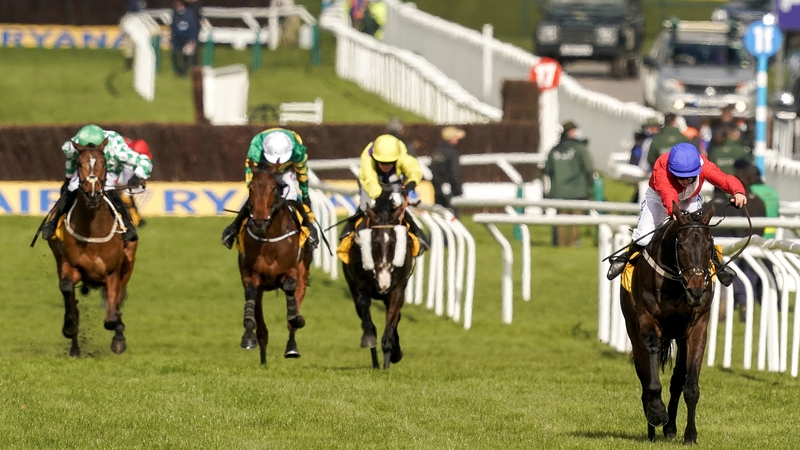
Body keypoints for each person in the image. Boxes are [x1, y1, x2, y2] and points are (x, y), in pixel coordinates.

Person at [607, 142, 747, 286]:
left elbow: (723, 179)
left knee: (697, 235)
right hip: (658, 199)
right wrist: (675, 212)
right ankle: (625, 257)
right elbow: (668, 194)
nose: (686, 181)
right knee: (644, 237)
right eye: (681, 177)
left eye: (691, 177)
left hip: (690, 198)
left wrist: (738, 191)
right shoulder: (662, 167)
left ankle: (718, 267)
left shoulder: (703, 165)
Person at [41, 124, 153, 243]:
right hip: (84, 167)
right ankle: (53, 223)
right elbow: (70, 161)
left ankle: (127, 225)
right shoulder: (72, 145)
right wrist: (68, 178)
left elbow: (144, 161)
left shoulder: (118, 149)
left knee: (108, 188)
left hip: (108, 169)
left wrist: (137, 175)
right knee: (72, 187)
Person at [221, 128, 319, 250]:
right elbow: (250, 176)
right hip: (263, 171)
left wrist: (305, 195)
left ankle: (309, 228)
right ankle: (234, 228)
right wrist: (255, 195)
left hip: (286, 172)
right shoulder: (256, 146)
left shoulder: (296, 148)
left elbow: (302, 172)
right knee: (258, 197)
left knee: (292, 194)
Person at [339, 134, 429, 252]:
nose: (386, 166)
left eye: (390, 162)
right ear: (376, 159)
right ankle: (347, 233)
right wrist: (379, 195)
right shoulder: (368, 158)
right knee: (367, 205)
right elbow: (369, 179)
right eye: (382, 162)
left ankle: (418, 234)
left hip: (392, 179)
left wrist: (412, 181)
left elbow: (412, 166)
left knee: (398, 204)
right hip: (370, 181)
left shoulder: (400, 153)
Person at [544, 121, 595, 247]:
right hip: (577, 190)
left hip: (559, 190)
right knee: (575, 220)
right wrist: (591, 184)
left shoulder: (554, 150)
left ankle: (560, 244)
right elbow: (589, 168)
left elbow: (547, 170)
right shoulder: (580, 149)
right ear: (571, 132)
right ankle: (573, 244)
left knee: (561, 220)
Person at [429, 126, 465, 215]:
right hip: (450, 190)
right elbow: (455, 173)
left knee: (439, 216)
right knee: (452, 216)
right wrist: (459, 190)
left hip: (437, 189)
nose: (458, 140)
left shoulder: (436, 151)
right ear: (451, 139)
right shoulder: (453, 153)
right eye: (456, 137)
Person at [171, 0, 199, 77]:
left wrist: (192, 40)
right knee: (175, 54)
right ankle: (178, 69)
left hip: (187, 39)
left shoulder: (190, 15)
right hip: (177, 39)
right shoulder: (175, 14)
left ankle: (184, 70)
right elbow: (173, 27)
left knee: (187, 53)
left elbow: (193, 28)